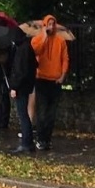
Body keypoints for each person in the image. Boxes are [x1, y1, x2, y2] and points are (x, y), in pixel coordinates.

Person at [30, 15, 70, 151]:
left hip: (55, 81)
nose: (51, 26)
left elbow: (65, 59)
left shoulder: (61, 41)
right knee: (42, 112)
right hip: (41, 79)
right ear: (45, 25)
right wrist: (45, 37)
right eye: (49, 24)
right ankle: (40, 139)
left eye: (53, 24)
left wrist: (62, 76)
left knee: (51, 114)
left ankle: (47, 139)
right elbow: (36, 51)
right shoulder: (37, 39)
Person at [8, 33, 37, 153]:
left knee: (23, 114)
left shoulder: (22, 50)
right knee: (24, 114)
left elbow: (20, 71)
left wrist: (14, 87)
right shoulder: (28, 47)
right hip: (27, 86)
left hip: (21, 87)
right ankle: (28, 142)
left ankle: (26, 142)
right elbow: (35, 64)